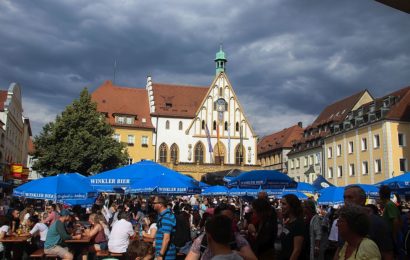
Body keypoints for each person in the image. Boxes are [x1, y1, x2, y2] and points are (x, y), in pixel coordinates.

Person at [186, 203, 257, 260]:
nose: (227, 223)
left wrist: (235, 253)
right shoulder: (201, 240)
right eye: (222, 219)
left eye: (230, 220)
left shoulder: (237, 238)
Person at [342, 185, 394, 260]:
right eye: (344, 198)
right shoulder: (343, 222)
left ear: (362, 200)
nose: (346, 201)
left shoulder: (377, 223)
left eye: (350, 197)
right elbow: (340, 248)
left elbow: (388, 255)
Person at [279, 193, 307, 260]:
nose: (281, 206)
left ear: (292, 206)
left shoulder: (298, 224)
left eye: (284, 204)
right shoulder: (288, 222)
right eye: (281, 204)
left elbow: (297, 250)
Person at [379, 185, 402, 256]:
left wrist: (394, 235)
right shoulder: (389, 204)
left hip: (391, 236)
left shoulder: (389, 205)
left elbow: (395, 221)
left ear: (381, 194)